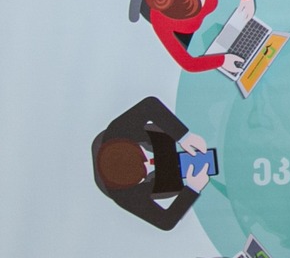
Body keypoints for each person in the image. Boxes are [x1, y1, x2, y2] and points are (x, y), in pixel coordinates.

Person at [91, 96, 212, 230]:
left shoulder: (118, 130)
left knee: (162, 138)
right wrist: (192, 189)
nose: (151, 162)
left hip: (144, 138)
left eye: (144, 160)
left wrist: (184, 136)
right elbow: (166, 221)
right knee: (169, 183)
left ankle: (156, 145)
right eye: (145, 167)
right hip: (150, 185)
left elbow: (150, 105)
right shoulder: (125, 197)